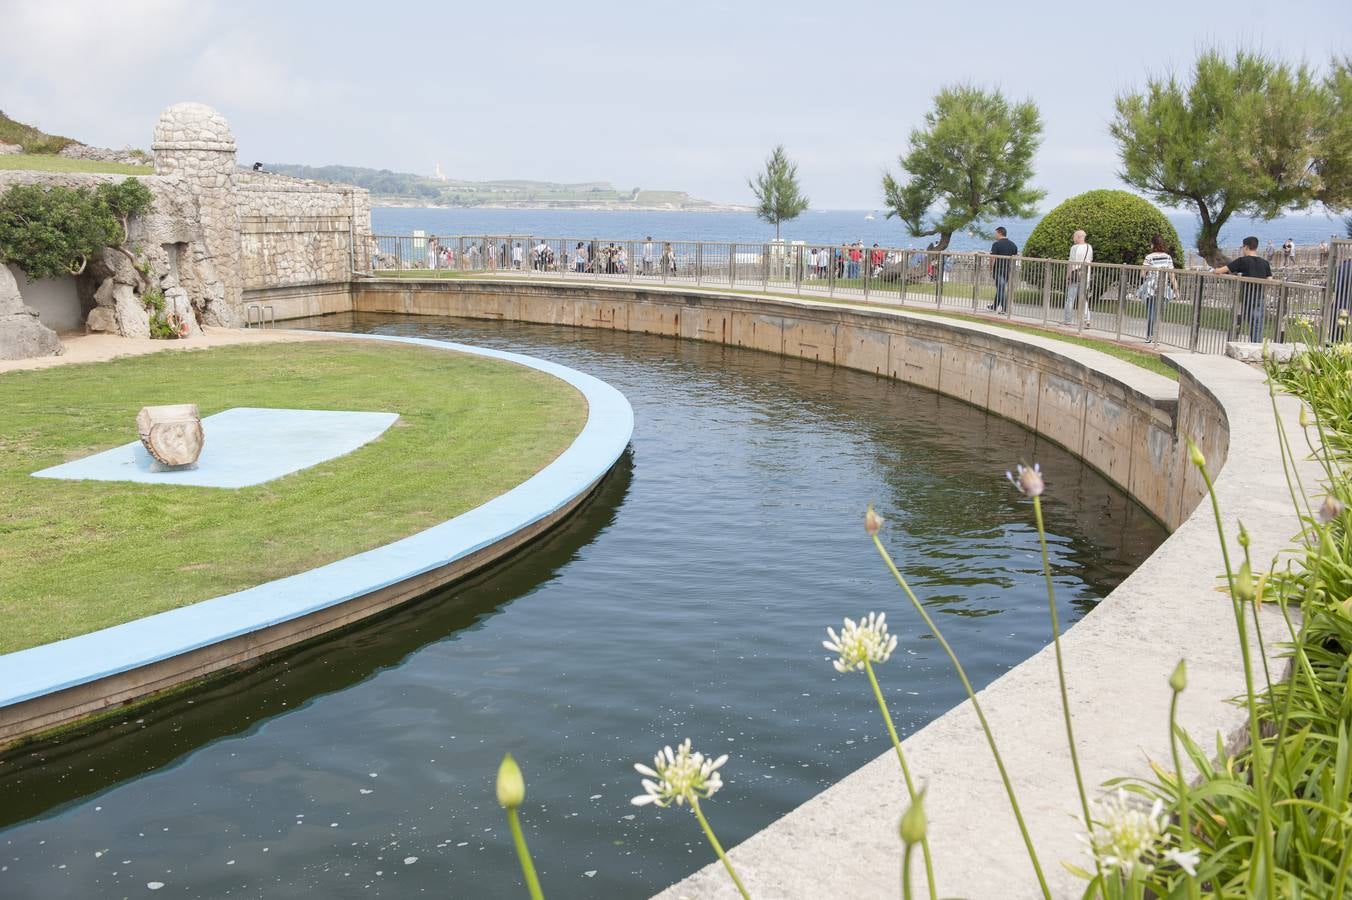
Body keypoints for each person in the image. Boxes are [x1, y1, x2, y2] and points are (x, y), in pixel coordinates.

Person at [1212, 236, 1273, 342]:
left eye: (1242, 247)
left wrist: (1213, 270)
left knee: (1246, 320)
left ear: (1246, 247)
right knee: (1258, 323)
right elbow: (1270, 281)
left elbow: (1221, 271)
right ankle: (1257, 345)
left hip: (1247, 297)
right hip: (1260, 296)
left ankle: (1247, 344)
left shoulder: (1242, 261)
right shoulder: (1265, 263)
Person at [1138, 235, 1178, 344]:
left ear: (1153, 245)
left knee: (1151, 312)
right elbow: (1172, 274)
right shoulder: (1168, 257)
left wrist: (1146, 273)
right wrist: (1176, 289)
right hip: (1163, 287)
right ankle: (1156, 336)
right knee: (1159, 313)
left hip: (1151, 287)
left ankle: (1149, 336)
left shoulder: (1149, 257)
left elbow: (1142, 273)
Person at [1062, 229, 1094, 326]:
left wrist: (1068, 276)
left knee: (1070, 298)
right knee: (1083, 298)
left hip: (1075, 275)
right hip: (1086, 275)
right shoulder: (1089, 247)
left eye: (1074, 236)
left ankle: (1067, 320)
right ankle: (1087, 319)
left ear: (1079, 237)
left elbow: (1071, 263)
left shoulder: (1074, 248)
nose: (1073, 238)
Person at [988, 227, 1018, 312]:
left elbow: (992, 258)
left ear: (1000, 233)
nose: (995, 235)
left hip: (999, 270)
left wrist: (990, 269)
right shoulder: (1013, 245)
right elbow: (1015, 257)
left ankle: (1004, 308)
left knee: (1001, 289)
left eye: (996, 233)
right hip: (1008, 271)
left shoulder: (996, 244)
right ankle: (994, 306)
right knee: (1000, 288)